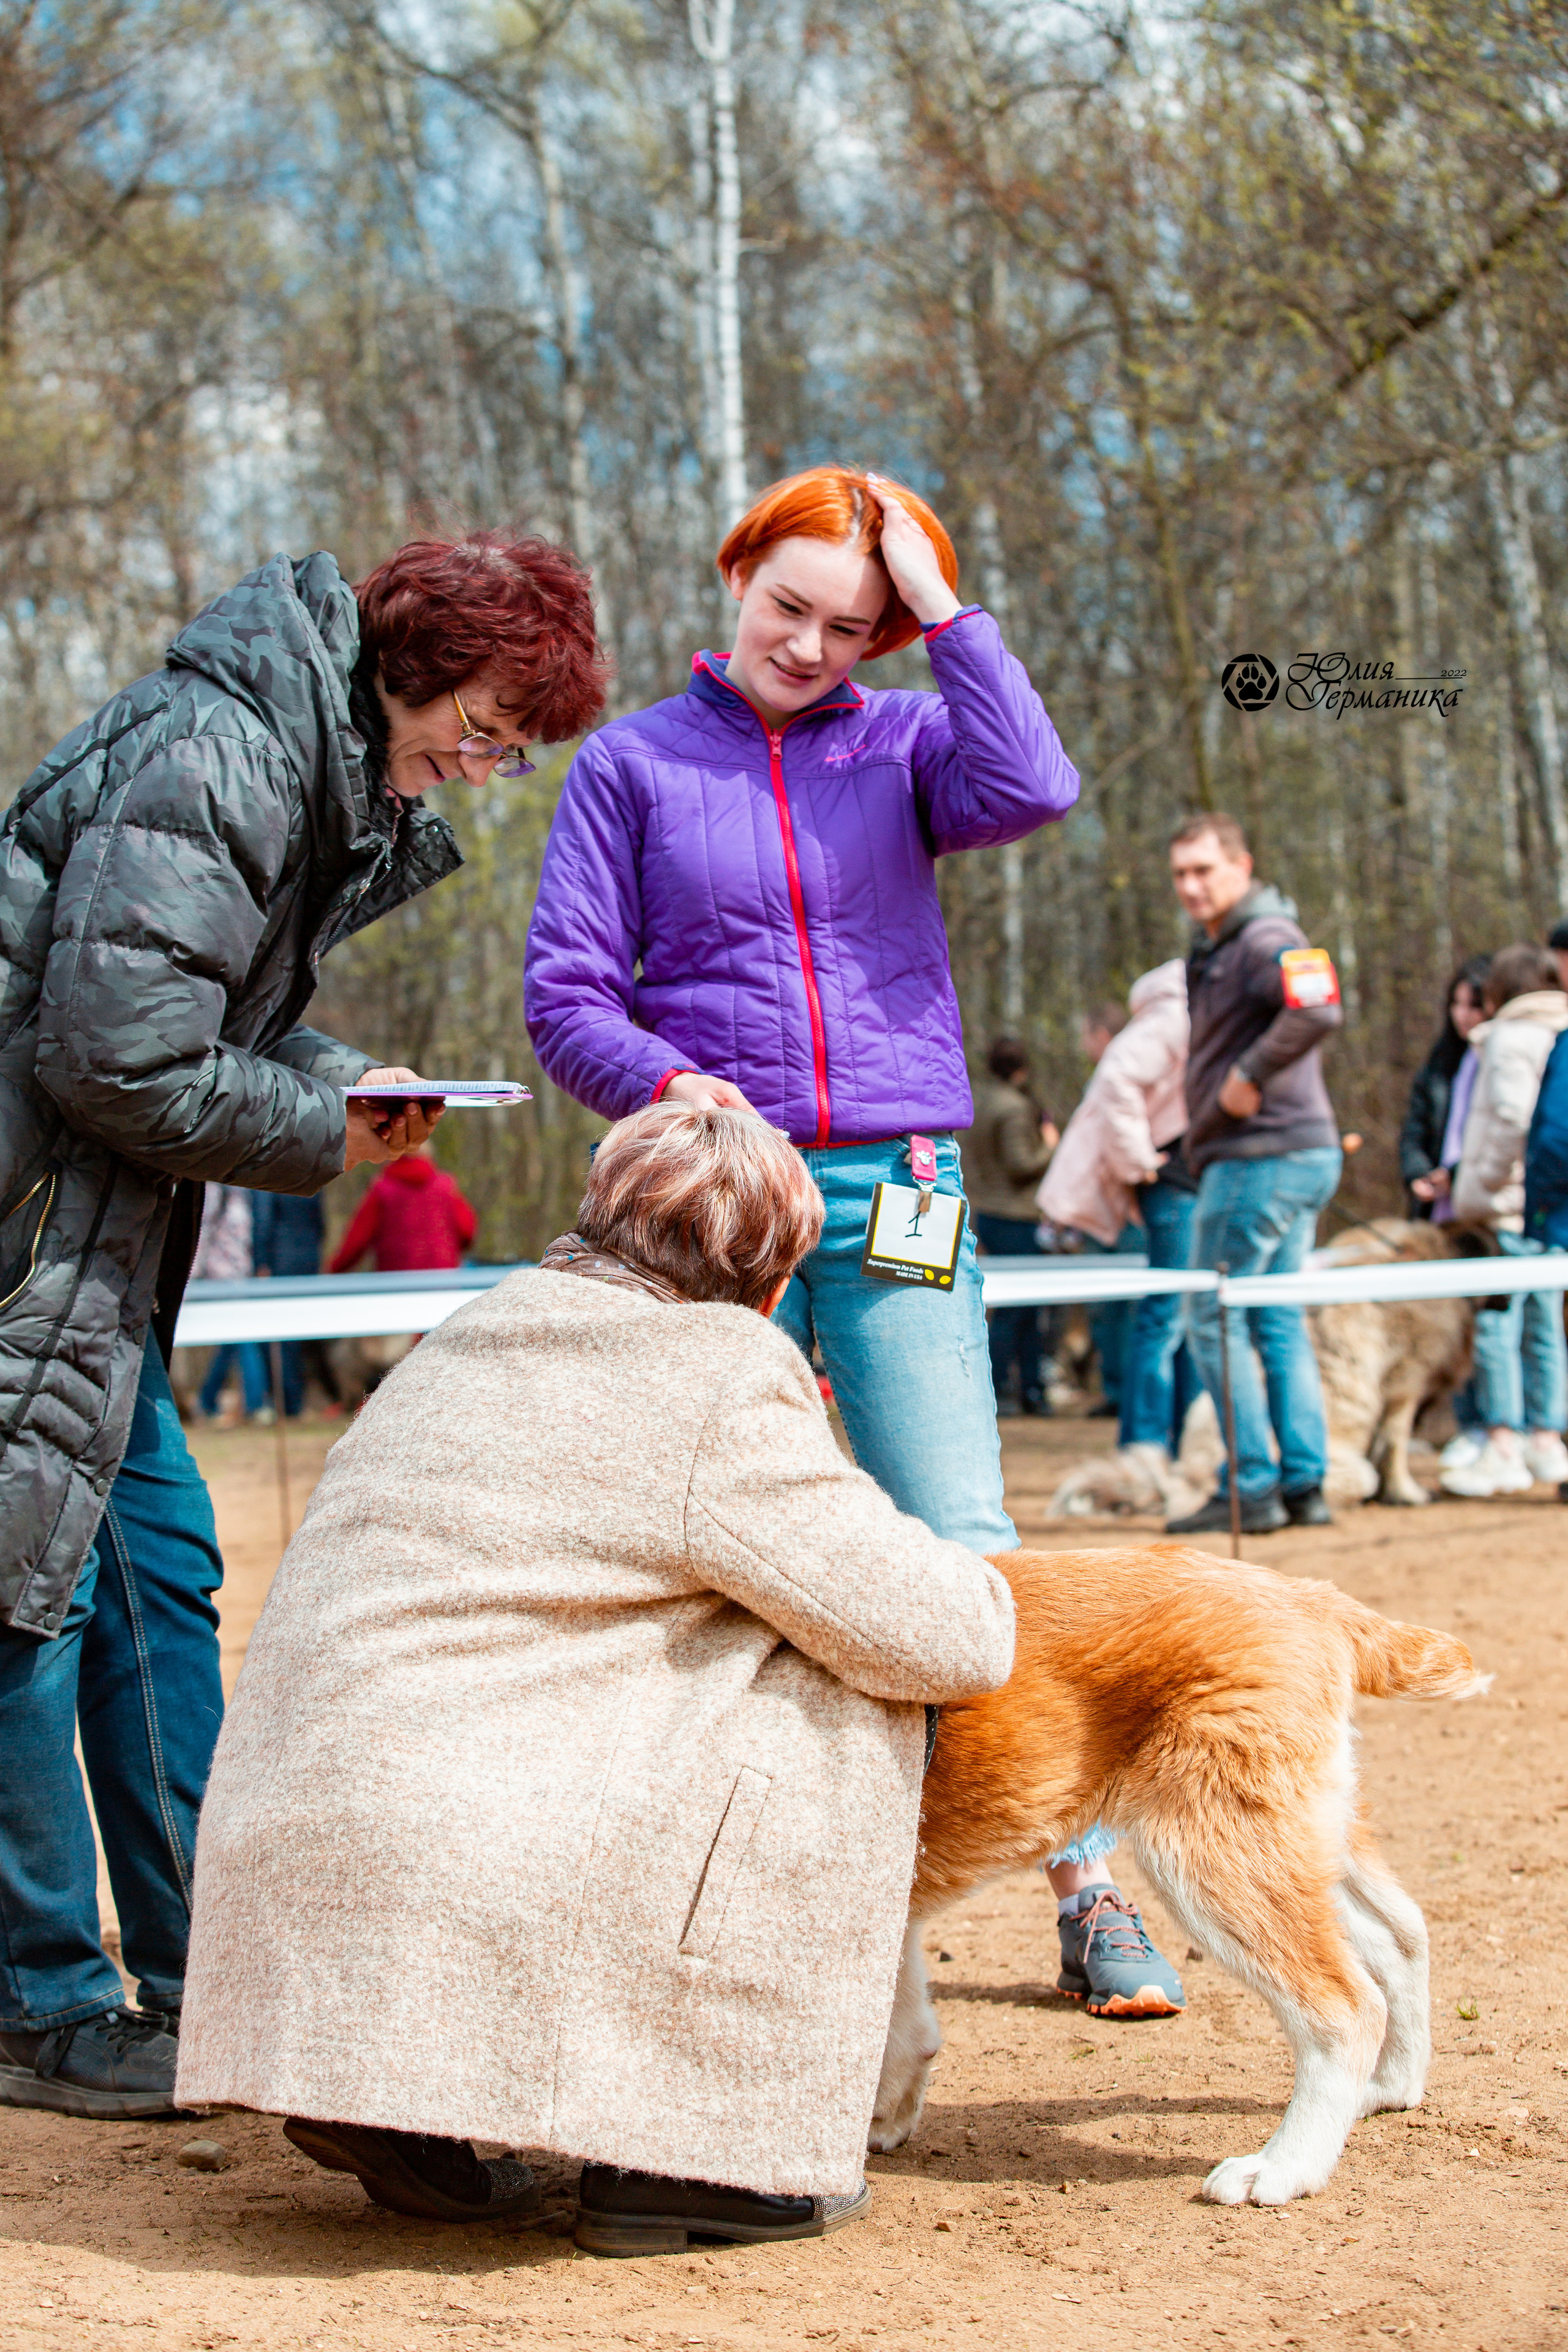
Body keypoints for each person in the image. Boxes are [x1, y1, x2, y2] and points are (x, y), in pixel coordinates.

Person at [525, 466, 1184, 2022]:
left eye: (851, 624)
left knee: (957, 1529)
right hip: (713, 1204)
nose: (811, 645)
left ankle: (1081, 1881)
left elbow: (1036, 785)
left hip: (896, 1182)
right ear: (733, 576)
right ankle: (680, 1892)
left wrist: (942, 606)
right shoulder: (626, 766)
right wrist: (679, 1091)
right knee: (693, 1548)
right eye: (786, 607)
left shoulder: (903, 743)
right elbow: (566, 997)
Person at [0, 528, 606, 2123]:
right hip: (33, 1219)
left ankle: (211, 1969)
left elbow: (194, 1009)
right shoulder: (227, 748)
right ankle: (48, 2001)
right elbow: (111, 1054)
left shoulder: (299, 762)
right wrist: (317, 1130)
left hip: (88, 1227)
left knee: (157, 1581)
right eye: (479, 728)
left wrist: (344, 1080)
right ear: (406, 667)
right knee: (25, 1604)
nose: (479, 767)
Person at [175, 1103, 1016, 2249]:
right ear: (771, 1280)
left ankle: (391, 2095)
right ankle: (685, 2161)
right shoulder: (717, 1369)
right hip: (474, 1859)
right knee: (831, 1679)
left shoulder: (471, 1329)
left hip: (292, 1849)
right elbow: (947, 1638)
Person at [1163, 814, 1343, 1539]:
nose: (1191, 887)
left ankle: (1253, 1485)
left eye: (1205, 870)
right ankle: (1303, 1482)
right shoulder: (1221, 946)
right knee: (1274, 1318)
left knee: (1212, 1314)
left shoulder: (1267, 937)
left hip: (1259, 1157)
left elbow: (1320, 1006)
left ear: (1243, 866)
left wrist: (1248, 1074)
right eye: (1180, 874)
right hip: (1288, 1155)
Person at [1038, 960, 1196, 1460]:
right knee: (1164, 1315)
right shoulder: (1174, 1016)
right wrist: (1142, 1162)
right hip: (1167, 1186)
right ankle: (1146, 1442)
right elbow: (1117, 1082)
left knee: (1183, 1316)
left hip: (1187, 1183)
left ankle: (1180, 1436)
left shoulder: (1185, 1013)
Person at [1440, 943, 1568, 1498]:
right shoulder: (1557, 1033)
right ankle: (1545, 1436)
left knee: (1497, 1326)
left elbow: (1517, 1120)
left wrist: (1486, 1180)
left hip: (1511, 1204)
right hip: (1543, 1207)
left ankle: (1504, 1442)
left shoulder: (1509, 1039)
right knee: (1543, 1326)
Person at [960, 1038, 1058, 1416]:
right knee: (1018, 1312)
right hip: (1016, 1217)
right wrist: (1050, 1146)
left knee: (1015, 1309)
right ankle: (1004, 1388)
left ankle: (1028, 1390)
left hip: (989, 1212)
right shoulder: (1015, 1108)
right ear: (1022, 1069)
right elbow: (1021, 1164)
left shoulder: (982, 1100)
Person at [1400, 958, 1492, 1217]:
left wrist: (1457, 1174)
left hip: (1481, 1203)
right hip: (1434, 1208)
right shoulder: (1440, 1063)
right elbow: (1414, 1130)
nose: (1462, 1015)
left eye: (1474, 1006)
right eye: (1456, 1003)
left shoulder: (1499, 1061)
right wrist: (1417, 1172)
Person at [328, 1144, 478, 1275]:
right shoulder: (445, 1186)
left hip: (397, 1284)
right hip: (443, 1280)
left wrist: (334, 1271)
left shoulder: (382, 1189)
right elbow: (467, 1230)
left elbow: (357, 1240)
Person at [192, 1185, 270, 1422]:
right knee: (239, 1339)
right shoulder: (227, 1191)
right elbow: (204, 1231)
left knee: (236, 1341)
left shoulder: (236, 1191)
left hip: (233, 1275)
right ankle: (250, 1404)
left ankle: (210, 1401)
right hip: (228, 1275)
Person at [251, 1193, 330, 1417]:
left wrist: (261, 1261)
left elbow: (263, 1222)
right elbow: (321, 1224)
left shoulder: (271, 1177)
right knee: (301, 1337)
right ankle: (298, 1400)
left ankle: (289, 1402)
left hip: (279, 1263)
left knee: (280, 1339)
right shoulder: (315, 1175)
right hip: (309, 1260)